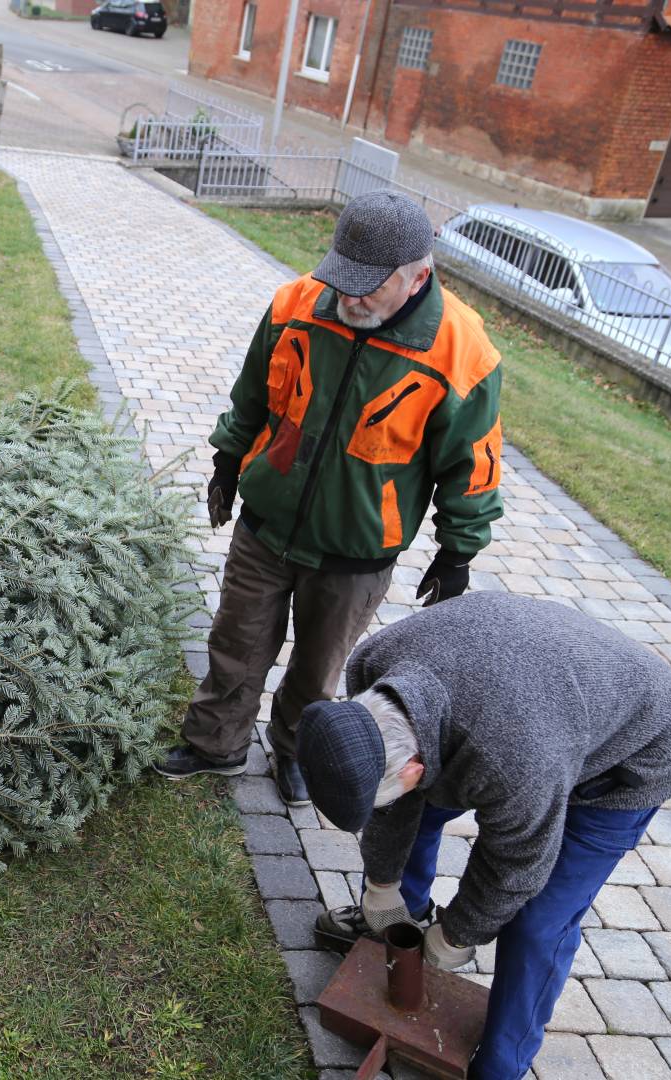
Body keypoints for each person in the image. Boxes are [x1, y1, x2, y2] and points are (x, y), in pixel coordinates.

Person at [155, 190, 504, 804]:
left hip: (357, 550)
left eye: (368, 285)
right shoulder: (296, 304)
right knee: (235, 644)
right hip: (267, 526)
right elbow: (252, 394)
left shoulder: (462, 350)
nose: (349, 297)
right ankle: (217, 744)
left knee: (318, 671)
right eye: (342, 278)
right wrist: (228, 460)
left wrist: (457, 554)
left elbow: (471, 464)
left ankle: (296, 753)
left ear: (419, 275)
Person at [296, 592, 671, 1080]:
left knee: (540, 921)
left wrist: (459, 934)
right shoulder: (375, 666)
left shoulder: (511, 760)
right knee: (416, 811)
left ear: (416, 767)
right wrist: (383, 888)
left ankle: (502, 1064)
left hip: (632, 751)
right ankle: (399, 927)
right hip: (533, 700)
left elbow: (516, 864)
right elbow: (395, 800)